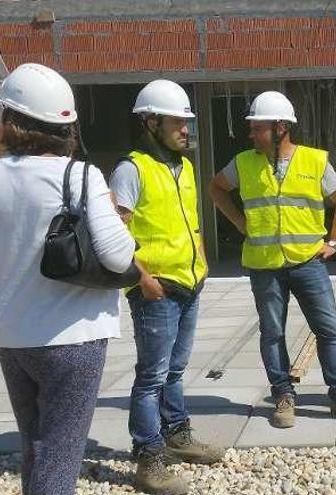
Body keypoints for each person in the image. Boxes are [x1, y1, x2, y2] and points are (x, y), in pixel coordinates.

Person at [0, 63, 136, 495]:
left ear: (13, 120)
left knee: (37, 447)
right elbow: (119, 258)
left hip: (12, 337)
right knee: (60, 454)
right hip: (74, 338)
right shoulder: (82, 176)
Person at [208, 90, 336, 429]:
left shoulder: (314, 161)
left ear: (281, 127)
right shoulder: (243, 162)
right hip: (264, 264)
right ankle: (283, 395)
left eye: (258, 128)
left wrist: (334, 241)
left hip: (308, 262)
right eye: (253, 128)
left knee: (327, 329)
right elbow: (216, 188)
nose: (252, 134)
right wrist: (241, 223)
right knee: (272, 332)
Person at [109, 79, 222, 495]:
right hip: (156, 288)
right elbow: (114, 233)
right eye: (178, 122)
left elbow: (191, 223)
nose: (186, 129)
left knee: (175, 370)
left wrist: (204, 262)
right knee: (152, 375)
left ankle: (177, 434)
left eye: (187, 122)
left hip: (189, 283)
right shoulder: (131, 169)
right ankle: (147, 454)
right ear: (151, 121)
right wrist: (143, 279)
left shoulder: (185, 167)